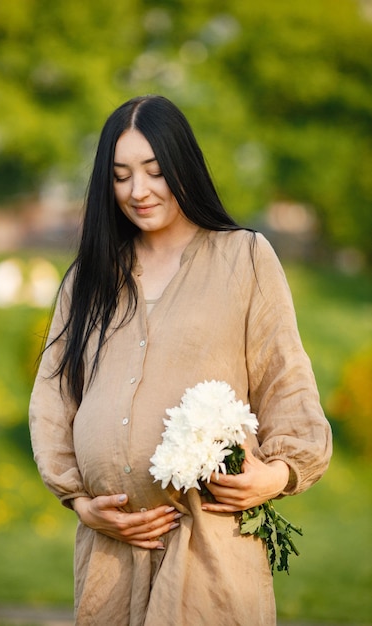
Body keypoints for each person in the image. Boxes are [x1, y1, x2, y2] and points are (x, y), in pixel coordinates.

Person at [29, 94, 332, 626]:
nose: (137, 191)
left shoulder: (244, 257)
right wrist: (80, 502)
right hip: (112, 556)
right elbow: (54, 400)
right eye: (121, 175)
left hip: (210, 550)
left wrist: (279, 474)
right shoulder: (88, 278)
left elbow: (286, 379)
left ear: (182, 166)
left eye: (153, 170)